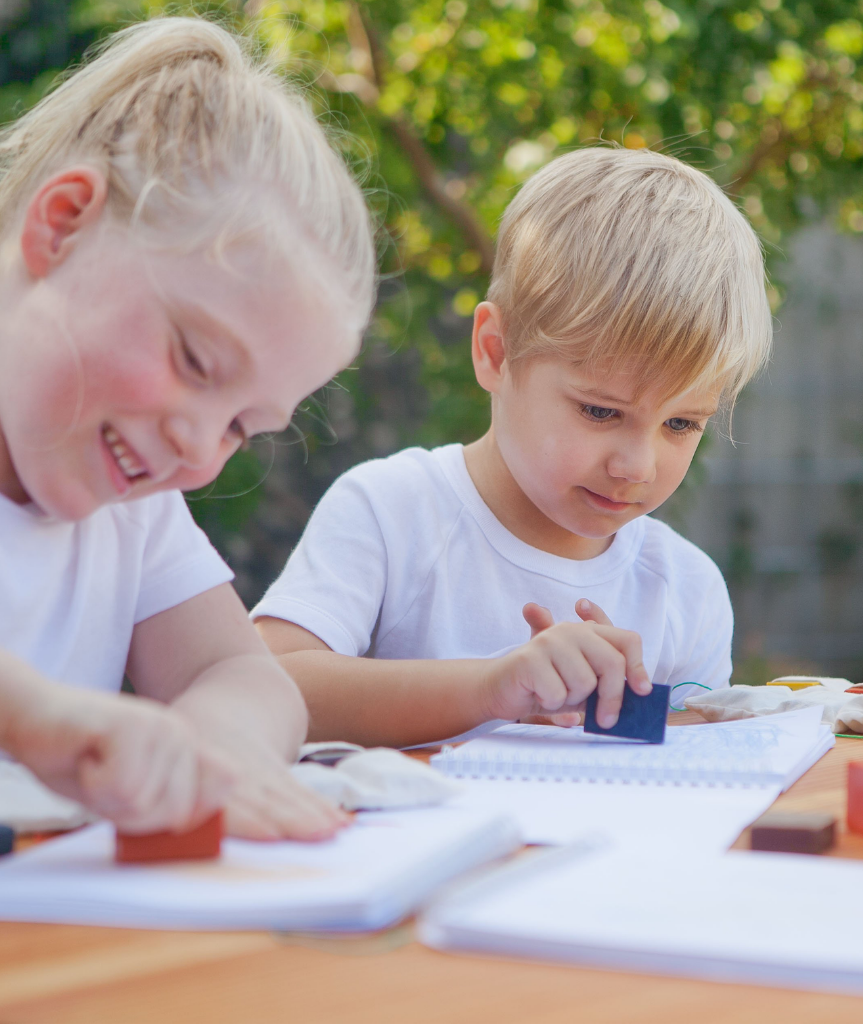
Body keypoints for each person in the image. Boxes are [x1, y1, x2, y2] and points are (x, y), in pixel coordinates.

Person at [0, 17, 375, 836]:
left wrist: (216, 744)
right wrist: (31, 714)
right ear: (62, 224)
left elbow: (242, 670)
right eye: (196, 362)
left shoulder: (132, 511)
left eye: (240, 427)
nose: (199, 447)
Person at [254, 146, 771, 749]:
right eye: (601, 411)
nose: (637, 466)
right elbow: (266, 686)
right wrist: (491, 688)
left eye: (681, 425)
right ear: (495, 352)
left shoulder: (685, 587)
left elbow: (701, 775)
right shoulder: (392, 511)